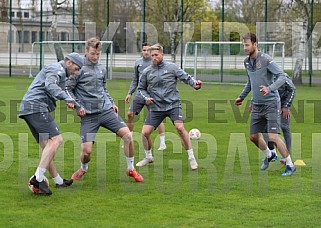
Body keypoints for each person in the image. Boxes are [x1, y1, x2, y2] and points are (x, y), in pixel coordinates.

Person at [67, 37, 143, 182]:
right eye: (92, 54)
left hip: (106, 111)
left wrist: (112, 102)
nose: (95, 57)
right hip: (88, 116)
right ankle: (83, 168)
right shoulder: (78, 69)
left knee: (128, 136)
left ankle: (131, 168)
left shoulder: (101, 68)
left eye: (97, 54)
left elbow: (103, 89)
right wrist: (76, 105)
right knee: (87, 152)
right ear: (86, 52)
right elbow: (68, 89)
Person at [19, 52, 84, 195]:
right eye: (77, 68)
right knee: (57, 139)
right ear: (69, 62)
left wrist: (76, 105)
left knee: (46, 147)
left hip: (29, 107)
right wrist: (67, 99)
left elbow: (63, 91)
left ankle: (58, 181)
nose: (76, 72)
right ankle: (38, 177)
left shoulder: (61, 74)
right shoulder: (57, 69)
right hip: (36, 106)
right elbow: (50, 85)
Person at [234, 32, 296, 176]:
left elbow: (282, 76)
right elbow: (250, 82)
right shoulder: (247, 62)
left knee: (273, 136)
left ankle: (290, 165)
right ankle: (270, 155)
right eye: (243, 45)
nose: (245, 48)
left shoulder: (267, 59)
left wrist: (269, 88)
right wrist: (241, 97)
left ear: (255, 44)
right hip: (256, 105)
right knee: (253, 137)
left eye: (247, 45)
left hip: (271, 104)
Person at [136, 43, 202, 170]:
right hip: (156, 107)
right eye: (152, 55)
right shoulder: (147, 71)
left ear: (162, 54)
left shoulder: (172, 67)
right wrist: (146, 97)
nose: (154, 57)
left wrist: (195, 84)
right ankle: (148, 156)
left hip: (173, 105)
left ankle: (191, 158)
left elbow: (186, 77)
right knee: (145, 133)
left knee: (180, 127)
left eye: (157, 54)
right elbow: (141, 89)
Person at [125, 42, 166, 151]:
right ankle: (129, 139)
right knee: (130, 114)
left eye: (148, 50)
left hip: (153, 95)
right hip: (139, 93)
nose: (146, 52)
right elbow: (135, 79)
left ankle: (162, 142)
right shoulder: (138, 63)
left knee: (158, 117)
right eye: (144, 50)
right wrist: (129, 93)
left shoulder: (155, 62)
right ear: (141, 51)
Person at [265, 74, 296, 163]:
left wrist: (286, 106)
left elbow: (293, 90)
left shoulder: (281, 77)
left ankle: (286, 156)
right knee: (265, 128)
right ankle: (272, 153)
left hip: (283, 104)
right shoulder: (262, 77)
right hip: (271, 103)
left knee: (285, 127)